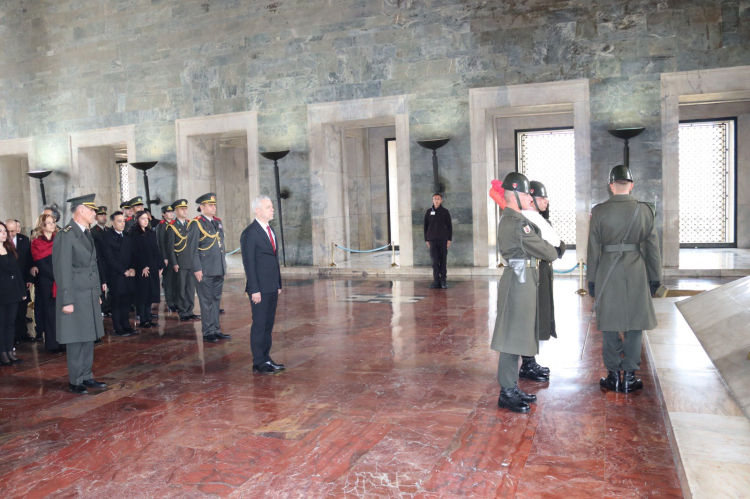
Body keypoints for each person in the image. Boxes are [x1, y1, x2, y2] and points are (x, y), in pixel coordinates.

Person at [587, 165, 661, 393]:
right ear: (631, 185)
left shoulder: (599, 211)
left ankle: (613, 376)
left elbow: (593, 249)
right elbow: (652, 247)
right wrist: (655, 277)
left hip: (607, 270)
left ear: (611, 186)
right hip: (636, 269)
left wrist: (592, 279)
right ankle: (629, 376)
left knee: (609, 323)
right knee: (635, 323)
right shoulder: (645, 210)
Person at [490, 173, 558, 413]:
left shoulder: (516, 219)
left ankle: (511, 386)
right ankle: (506, 391)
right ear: (515, 195)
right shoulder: (517, 223)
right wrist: (548, 247)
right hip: (518, 281)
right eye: (527, 194)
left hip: (524, 279)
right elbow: (549, 252)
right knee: (511, 337)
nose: (530, 197)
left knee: (518, 334)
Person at [52, 194, 108, 394]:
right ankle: (75, 380)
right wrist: (66, 300)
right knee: (76, 338)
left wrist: (97, 291)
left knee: (88, 336)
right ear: (81, 210)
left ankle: (86, 375)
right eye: (92, 210)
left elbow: (93, 266)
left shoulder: (85, 233)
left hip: (88, 293)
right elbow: (62, 270)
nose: (94, 214)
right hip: (75, 295)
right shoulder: (66, 235)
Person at [518, 180, 566, 382]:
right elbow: (554, 249)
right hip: (532, 273)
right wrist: (555, 249)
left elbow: (559, 248)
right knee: (530, 317)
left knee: (538, 316)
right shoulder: (525, 220)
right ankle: (527, 363)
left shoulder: (539, 220)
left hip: (541, 271)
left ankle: (530, 360)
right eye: (541, 197)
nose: (546, 201)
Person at [241, 195, 284, 374]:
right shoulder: (250, 233)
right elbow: (249, 264)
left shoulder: (270, 229)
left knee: (268, 325)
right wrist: (255, 289)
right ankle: (258, 362)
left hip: (272, 286)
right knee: (259, 325)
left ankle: (266, 358)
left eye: (272, 206)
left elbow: (273, 259)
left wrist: (278, 283)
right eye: (268, 207)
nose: (272, 209)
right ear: (257, 211)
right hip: (259, 289)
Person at [186, 193, 229, 343]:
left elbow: (220, 247)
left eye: (214, 205)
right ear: (202, 207)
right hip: (204, 269)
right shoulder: (196, 223)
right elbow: (192, 249)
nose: (213, 207)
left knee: (216, 300)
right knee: (206, 301)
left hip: (218, 268)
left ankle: (216, 329)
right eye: (210, 205)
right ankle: (208, 331)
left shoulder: (217, 222)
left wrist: (223, 266)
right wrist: (197, 268)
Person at [100, 211, 137, 337]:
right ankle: (118, 328)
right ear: (112, 222)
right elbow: (109, 258)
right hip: (115, 275)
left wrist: (132, 268)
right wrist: (123, 271)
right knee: (117, 302)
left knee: (126, 302)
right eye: (119, 221)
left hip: (129, 275)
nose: (122, 224)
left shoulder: (127, 237)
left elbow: (133, 254)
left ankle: (126, 326)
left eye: (123, 221)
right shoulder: (106, 237)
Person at [30, 214, 62, 353]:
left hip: (60, 280)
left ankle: (63, 341)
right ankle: (52, 344)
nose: (52, 225)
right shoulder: (36, 242)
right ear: (42, 225)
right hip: (47, 282)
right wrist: (57, 277)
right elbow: (41, 265)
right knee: (50, 314)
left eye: (53, 222)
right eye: (48, 223)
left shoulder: (58, 239)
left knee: (61, 313)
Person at [166, 199, 199, 323]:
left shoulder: (190, 224)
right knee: (181, 288)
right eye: (182, 209)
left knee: (190, 288)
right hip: (180, 262)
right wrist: (174, 262)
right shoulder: (172, 226)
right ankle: (183, 312)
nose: (185, 211)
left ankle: (190, 310)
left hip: (191, 262)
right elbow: (170, 248)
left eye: (185, 209)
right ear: (176, 211)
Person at [0, 221, 27, 365]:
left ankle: (10, 351)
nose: (4, 233)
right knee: (1, 323)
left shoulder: (9, 248)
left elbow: (17, 272)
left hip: (13, 291)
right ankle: (2, 353)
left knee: (11, 323)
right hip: (1, 292)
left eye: (4, 231)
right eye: (1, 231)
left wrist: (22, 290)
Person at [131, 211, 164, 329]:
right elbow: (134, 252)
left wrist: (160, 265)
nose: (145, 221)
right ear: (137, 220)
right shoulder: (134, 233)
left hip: (153, 266)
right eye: (142, 218)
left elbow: (156, 249)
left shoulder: (150, 232)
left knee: (150, 293)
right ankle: (143, 319)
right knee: (143, 294)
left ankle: (148, 318)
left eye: (146, 218)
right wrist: (142, 266)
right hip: (142, 268)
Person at [5, 219, 33, 343]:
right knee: (11, 311)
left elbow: (29, 260)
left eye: (13, 231)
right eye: (8, 231)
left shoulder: (24, 240)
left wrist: (30, 279)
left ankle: (23, 334)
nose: (10, 234)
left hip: (22, 280)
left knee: (22, 309)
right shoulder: (2, 242)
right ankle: (13, 337)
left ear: (18, 229)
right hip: (8, 282)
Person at [424, 193, 452, 289]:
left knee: (443, 260)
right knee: (435, 261)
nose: (436, 200)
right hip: (432, 240)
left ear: (441, 200)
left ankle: (443, 280)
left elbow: (449, 226)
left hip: (443, 240)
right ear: (432, 200)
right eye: (435, 199)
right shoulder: (429, 212)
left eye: (438, 199)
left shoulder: (445, 212)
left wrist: (449, 239)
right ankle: (436, 280)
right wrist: (426, 239)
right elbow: (425, 226)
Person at [156, 204, 178, 313]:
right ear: (163, 214)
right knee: (168, 280)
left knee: (175, 280)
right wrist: (164, 257)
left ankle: (176, 301)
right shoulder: (161, 225)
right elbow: (161, 243)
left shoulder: (174, 224)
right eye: (168, 212)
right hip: (167, 257)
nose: (170, 214)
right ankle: (170, 303)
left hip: (175, 256)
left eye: (171, 212)